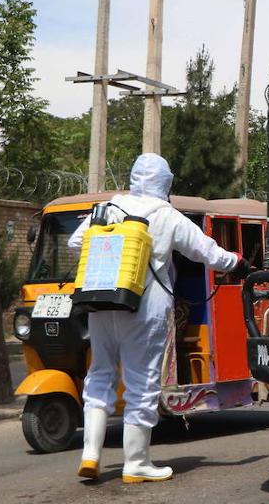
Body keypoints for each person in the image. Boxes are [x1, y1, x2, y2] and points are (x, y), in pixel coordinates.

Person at [68, 153, 249, 483]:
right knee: (141, 382)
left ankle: (91, 454)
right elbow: (208, 253)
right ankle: (136, 463)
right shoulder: (168, 215)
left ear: (134, 178)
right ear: (165, 183)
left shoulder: (110, 206)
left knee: (100, 375)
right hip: (145, 309)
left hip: (100, 300)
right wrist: (237, 262)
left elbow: (76, 241)